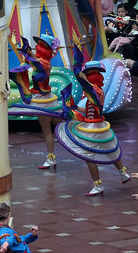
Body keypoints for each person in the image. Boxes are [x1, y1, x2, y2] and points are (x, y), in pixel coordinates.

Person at [55, 54, 132, 196]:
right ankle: (123, 173)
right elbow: (90, 109)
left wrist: (79, 73)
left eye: (88, 75)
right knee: (110, 150)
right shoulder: (96, 91)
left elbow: (86, 87)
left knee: (89, 156)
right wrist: (75, 107)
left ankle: (98, 185)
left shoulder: (94, 91)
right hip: (97, 124)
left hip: (93, 127)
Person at [8, 34, 64, 169]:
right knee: (60, 125)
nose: (37, 47)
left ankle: (51, 158)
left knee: (48, 131)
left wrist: (25, 50)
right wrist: (24, 50)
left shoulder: (42, 64)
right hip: (46, 98)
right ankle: (55, 154)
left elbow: (32, 60)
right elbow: (31, 58)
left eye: (39, 45)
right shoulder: (43, 62)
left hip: (42, 100)